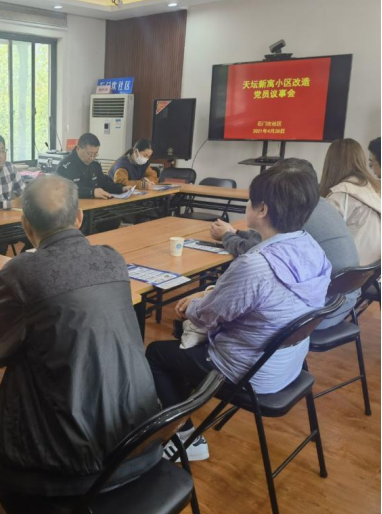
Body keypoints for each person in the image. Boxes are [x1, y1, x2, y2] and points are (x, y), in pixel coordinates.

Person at [0, 175, 160, 513]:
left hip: (74, 474)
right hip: (143, 443)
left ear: (25, 225)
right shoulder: (112, 259)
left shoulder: (22, 273)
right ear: (80, 217)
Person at [147, 165, 331, 461]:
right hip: (288, 364)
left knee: (157, 353)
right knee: (183, 345)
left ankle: (186, 439)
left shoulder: (256, 265)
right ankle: (186, 400)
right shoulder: (313, 249)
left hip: (250, 372)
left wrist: (190, 304)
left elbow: (206, 315)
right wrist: (207, 297)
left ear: (262, 209)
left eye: (249, 200)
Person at [210, 158, 359, 328]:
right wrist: (237, 233)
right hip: (339, 302)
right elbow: (265, 242)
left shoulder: (294, 213)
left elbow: (254, 250)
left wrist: (226, 236)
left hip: (315, 314)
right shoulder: (319, 205)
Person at [320, 138, 381, 266]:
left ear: (331, 163)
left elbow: (321, 236)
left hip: (346, 269)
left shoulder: (340, 195)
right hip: (371, 268)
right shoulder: (374, 189)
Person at [57, 132, 131, 199]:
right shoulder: (66, 166)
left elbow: (104, 183)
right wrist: (92, 192)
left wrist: (121, 188)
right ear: (78, 149)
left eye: (95, 154)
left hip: (94, 205)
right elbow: (66, 190)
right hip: (74, 207)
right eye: (89, 154)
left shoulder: (95, 165)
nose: (92, 158)